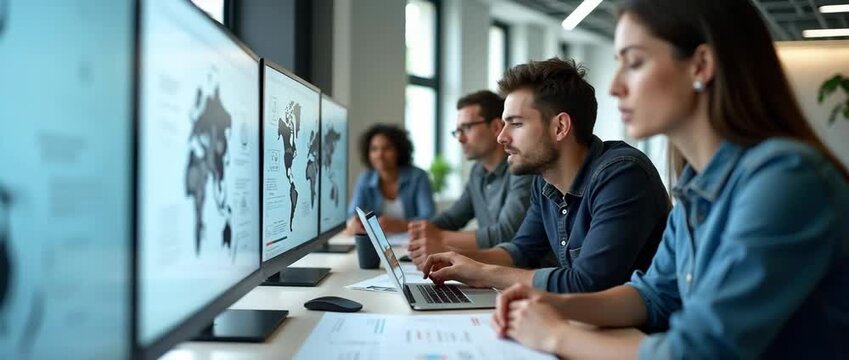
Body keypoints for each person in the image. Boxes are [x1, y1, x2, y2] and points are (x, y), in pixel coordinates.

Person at [493, 0, 849, 358]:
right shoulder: (697, 184)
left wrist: (555, 336)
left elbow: (702, 351)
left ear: (701, 65)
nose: (615, 86)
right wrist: (551, 302)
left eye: (633, 63)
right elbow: (653, 295)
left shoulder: (785, 179)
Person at [421, 58, 670, 293]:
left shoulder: (622, 175)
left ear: (560, 127)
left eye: (516, 124)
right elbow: (521, 251)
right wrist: (453, 258)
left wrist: (483, 273)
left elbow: (587, 283)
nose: (502, 137)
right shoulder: (544, 181)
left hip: (636, 334)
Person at [407, 90, 532, 267]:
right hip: (491, 271)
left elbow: (506, 234)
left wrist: (438, 237)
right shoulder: (477, 172)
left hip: (516, 273)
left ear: (496, 127)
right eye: (457, 131)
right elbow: (452, 218)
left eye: (466, 128)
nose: (460, 138)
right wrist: (420, 231)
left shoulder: (522, 169)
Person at [346, 124, 435, 234]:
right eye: (374, 149)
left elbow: (430, 217)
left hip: (413, 240)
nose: (380, 155)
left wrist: (401, 225)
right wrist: (354, 222)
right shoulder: (365, 179)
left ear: (399, 151)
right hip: (380, 242)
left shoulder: (418, 177)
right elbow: (352, 213)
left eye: (387, 148)